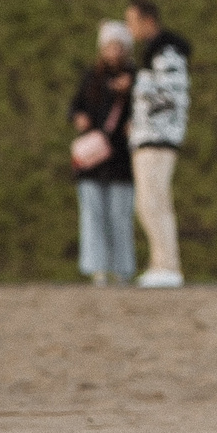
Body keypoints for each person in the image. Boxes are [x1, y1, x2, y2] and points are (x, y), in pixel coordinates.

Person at [125, 0, 190, 289]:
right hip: (149, 135)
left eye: (132, 21)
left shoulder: (167, 50)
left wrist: (135, 84)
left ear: (148, 20)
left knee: (154, 202)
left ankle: (167, 266)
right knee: (150, 202)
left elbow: (171, 91)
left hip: (159, 136)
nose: (130, 28)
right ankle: (160, 264)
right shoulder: (155, 51)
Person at [68, 19, 135, 287]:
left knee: (120, 215)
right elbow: (75, 106)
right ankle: (97, 268)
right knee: (92, 214)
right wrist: (79, 117)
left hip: (121, 158)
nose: (114, 52)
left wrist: (131, 98)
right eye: (109, 46)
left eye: (119, 46)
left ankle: (122, 269)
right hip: (93, 159)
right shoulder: (92, 78)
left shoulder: (136, 78)